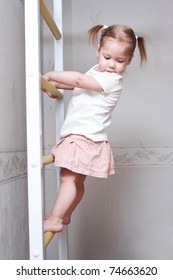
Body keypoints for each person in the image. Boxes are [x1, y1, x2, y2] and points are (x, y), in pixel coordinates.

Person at [43, 24, 147, 233]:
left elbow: (80, 80)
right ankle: (66, 214)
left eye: (120, 61)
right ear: (98, 50)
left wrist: (51, 75)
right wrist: (55, 86)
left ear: (129, 61)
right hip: (90, 138)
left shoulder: (112, 79)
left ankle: (55, 218)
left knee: (68, 179)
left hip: (83, 137)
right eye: (107, 57)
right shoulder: (97, 71)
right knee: (77, 181)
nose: (111, 65)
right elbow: (78, 85)